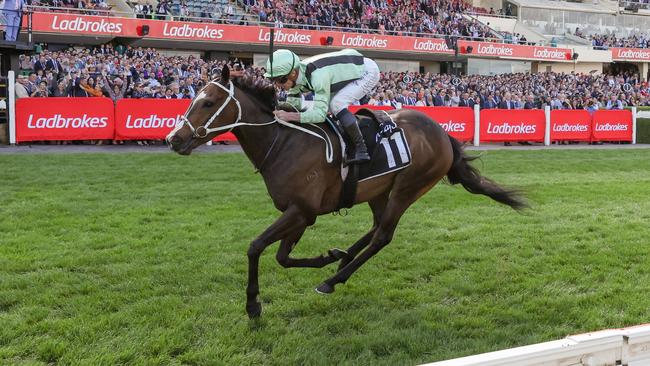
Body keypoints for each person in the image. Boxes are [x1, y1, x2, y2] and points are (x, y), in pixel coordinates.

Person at [264, 48, 379, 164]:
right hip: (344, 70)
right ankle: (343, 140)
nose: (278, 85)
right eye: (273, 80)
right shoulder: (297, 75)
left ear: (293, 73)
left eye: (280, 80)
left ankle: (362, 149)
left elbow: (320, 115)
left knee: (336, 104)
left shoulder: (318, 76)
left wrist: (290, 116)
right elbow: (293, 105)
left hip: (367, 72)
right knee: (329, 106)